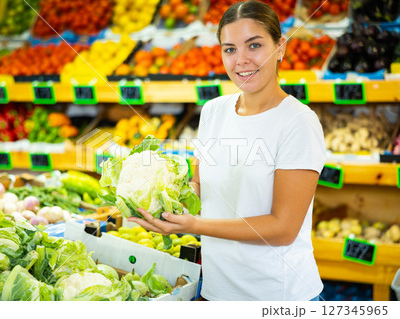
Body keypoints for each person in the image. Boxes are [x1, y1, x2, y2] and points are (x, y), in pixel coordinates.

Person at [128, 0, 326, 301]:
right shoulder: (213, 111)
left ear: (281, 47)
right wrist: (166, 205)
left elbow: (283, 228)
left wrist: (195, 225)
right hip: (215, 291)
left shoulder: (298, 122)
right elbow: (198, 185)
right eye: (230, 49)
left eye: (254, 45)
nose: (241, 60)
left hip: (276, 296)